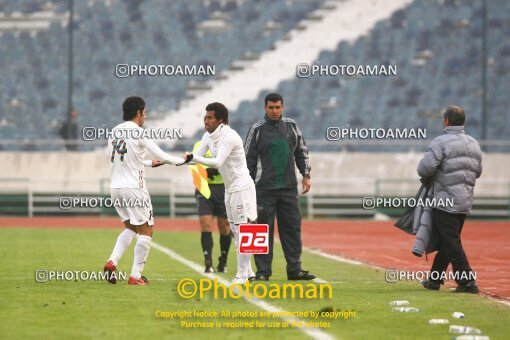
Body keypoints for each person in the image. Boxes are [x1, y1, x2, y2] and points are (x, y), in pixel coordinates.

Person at [103, 96, 185, 285]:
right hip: (134, 188)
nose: (145, 116)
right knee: (146, 231)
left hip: (115, 188)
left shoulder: (114, 131)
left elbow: (119, 159)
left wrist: (148, 163)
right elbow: (164, 155)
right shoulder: (139, 132)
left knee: (130, 228)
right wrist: (185, 160)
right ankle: (136, 276)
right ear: (139, 113)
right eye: (145, 112)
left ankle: (112, 261)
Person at [244, 93, 315, 281]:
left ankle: (295, 269)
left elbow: (302, 151)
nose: (274, 111)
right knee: (261, 231)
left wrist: (306, 175)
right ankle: (262, 272)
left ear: (282, 107)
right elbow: (247, 160)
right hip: (263, 189)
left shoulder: (292, 126)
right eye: (271, 107)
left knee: (292, 229)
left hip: (289, 188)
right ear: (265, 108)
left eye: (277, 107)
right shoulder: (256, 129)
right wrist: (246, 188)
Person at [185, 102, 257, 285]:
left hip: (242, 187)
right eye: (205, 117)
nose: (205, 121)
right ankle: (248, 271)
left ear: (221, 120)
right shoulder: (208, 136)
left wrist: (192, 157)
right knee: (234, 230)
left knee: (243, 230)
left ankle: (241, 275)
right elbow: (194, 161)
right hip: (229, 188)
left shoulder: (230, 136)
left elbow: (216, 163)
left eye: (209, 117)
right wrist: (165, 160)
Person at [418, 105, 482, 294]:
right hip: (464, 200)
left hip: (445, 200)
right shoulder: (473, 143)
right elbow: (478, 172)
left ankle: (467, 282)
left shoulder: (440, 142)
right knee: (449, 240)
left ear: (446, 121)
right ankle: (434, 280)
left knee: (451, 242)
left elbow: (424, 169)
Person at [191, 140, 232, 273]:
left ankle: (223, 261)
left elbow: (233, 163)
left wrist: (220, 170)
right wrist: (205, 172)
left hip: (224, 188)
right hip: (204, 187)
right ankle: (208, 262)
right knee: (205, 224)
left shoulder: (228, 143)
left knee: (225, 227)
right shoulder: (199, 145)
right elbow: (193, 165)